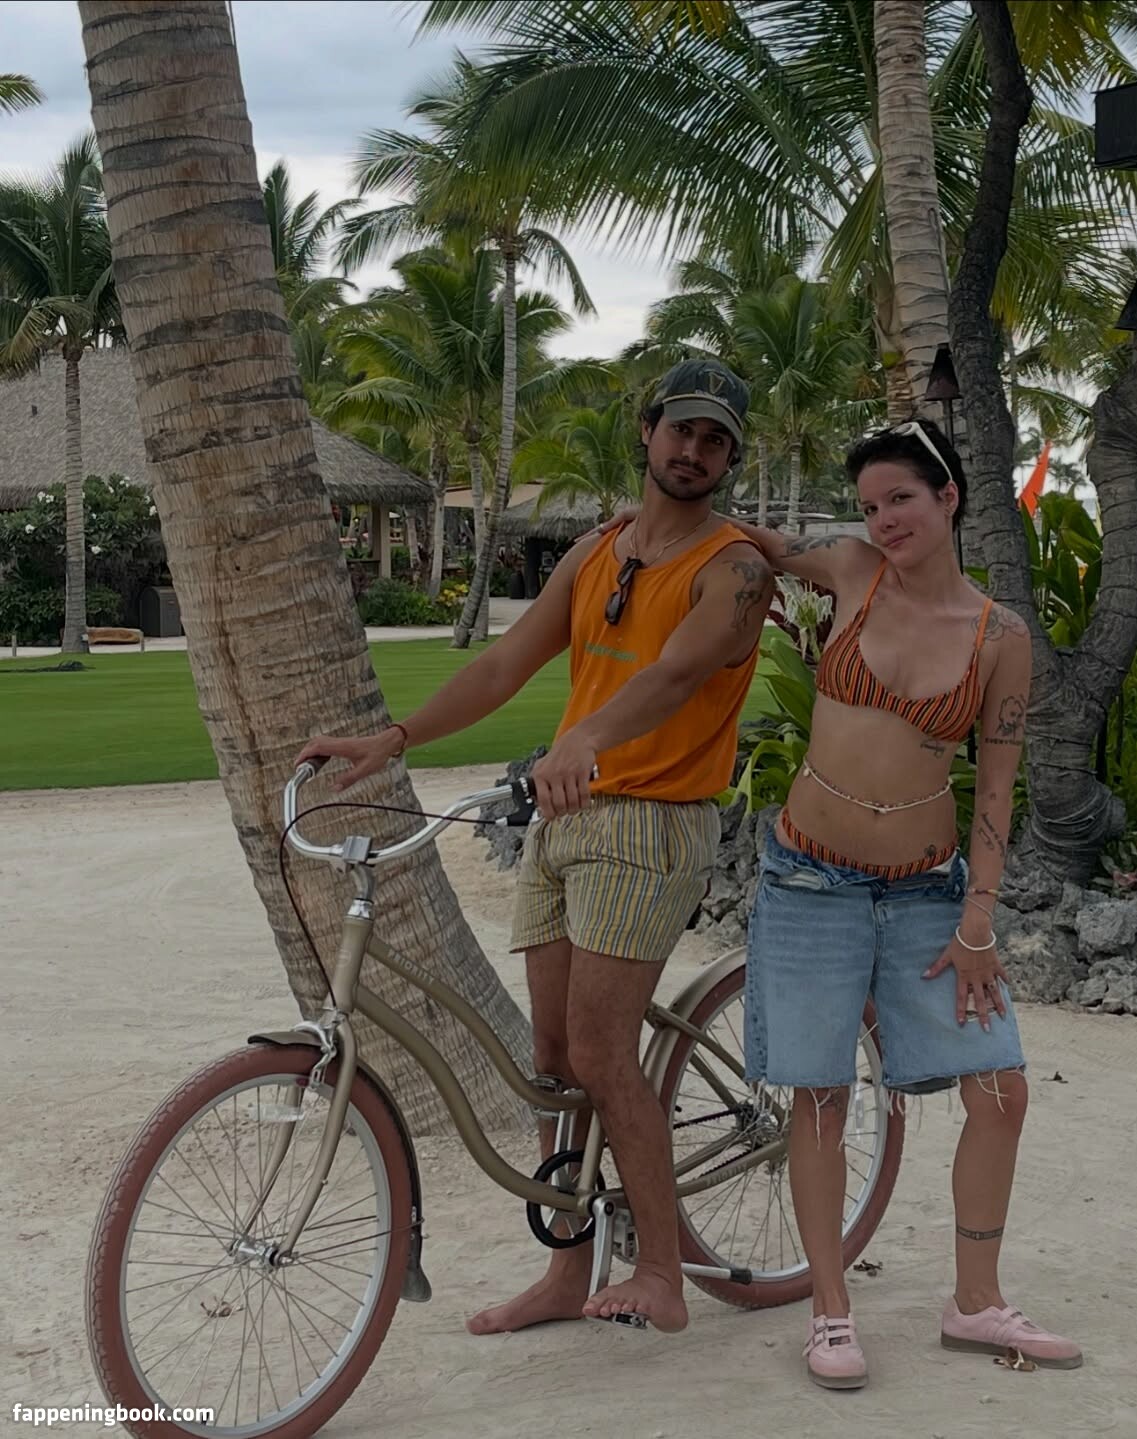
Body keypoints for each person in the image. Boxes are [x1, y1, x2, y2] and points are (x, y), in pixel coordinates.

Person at [297, 359, 774, 1335]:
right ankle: (568, 1271)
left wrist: (586, 737)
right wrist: (394, 738)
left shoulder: (736, 570)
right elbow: (507, 663)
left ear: (730, 457)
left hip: (650, 821)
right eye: (680, 429)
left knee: (600, 1048)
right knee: (555, 1057)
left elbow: (676, 674)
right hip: (568, 811)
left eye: (715, 439)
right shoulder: (600, 552)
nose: (693, 450)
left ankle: (663, 1272)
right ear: (647, 431)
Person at [606, 418, 1080, 1384]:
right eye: (870, 505)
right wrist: (649, 518)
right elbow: (756, 542)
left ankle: (976, 1301)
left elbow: (998, 787)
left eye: (901, 497)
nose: (885, 519)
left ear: (949, 497)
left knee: (1000, 1088)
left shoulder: (999, 637)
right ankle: (830, 1310)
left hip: (926, 891)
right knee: (821, 1093)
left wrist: (978, 921)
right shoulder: (854, 572)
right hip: (811, 878)